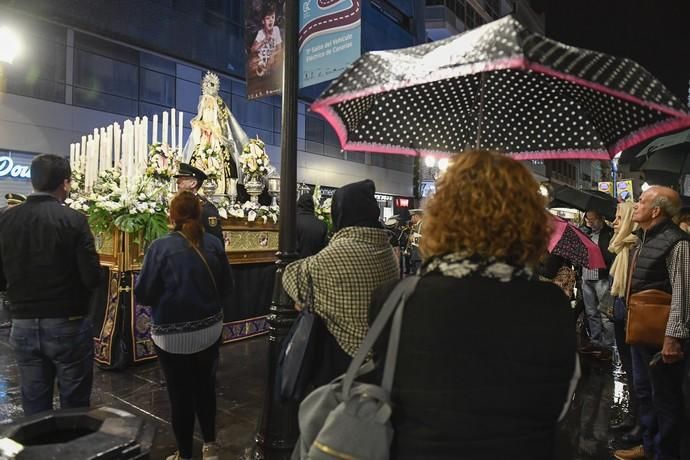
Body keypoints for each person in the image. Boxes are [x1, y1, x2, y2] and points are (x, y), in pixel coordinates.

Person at [369, 150, 578, 459]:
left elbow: (386, 397)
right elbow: (561, 404)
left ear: (441, 216)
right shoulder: (552, 304)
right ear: (529, 219)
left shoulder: (395, 299)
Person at [134, 191, 233, 460]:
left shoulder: (159, 247)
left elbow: (143, 294)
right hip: (209, 331)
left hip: (170, 336)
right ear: (200, 214)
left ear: (171, 215)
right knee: (205, 388)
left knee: (179, 395)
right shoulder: (213, 243)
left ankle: (185, 454)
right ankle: (211, 446)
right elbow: (227, 287)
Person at [0, 154, 100, 415]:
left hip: (22, 323)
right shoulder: (74, 220)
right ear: (65, 184)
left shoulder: (5, 219)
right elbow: (91, 277)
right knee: (74, 403)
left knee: (34, 402)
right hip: (67, 322)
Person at [282, 179, 399, 385]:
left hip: (343, 360)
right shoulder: (387, 251)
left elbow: (291, 276)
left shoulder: (340, 252)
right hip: (381, 354)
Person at [613, 186, 690, 460]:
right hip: (640, 332)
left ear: (656, 210)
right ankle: (649, 446)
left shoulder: (677, 242)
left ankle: (665, 453)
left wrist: (673, 339)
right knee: (645, 393)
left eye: (642, 202)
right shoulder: (642, 238)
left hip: (662, 339)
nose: (635, 206)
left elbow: (682, 293)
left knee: (665, 399)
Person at [608, 202, 642, 441]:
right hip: (621, 312)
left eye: (620, 218)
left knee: (638, 373)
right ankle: (635, 418)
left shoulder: (635, 247)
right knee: (631, 371)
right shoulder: (621, 248)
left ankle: (641, 424)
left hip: (635, 315)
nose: (615, 222)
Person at [579, 209, 615, 359]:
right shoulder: (585, 233)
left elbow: (611, 256)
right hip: (586, 277)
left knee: (605, 313)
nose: (590, 223)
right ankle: (595, 341)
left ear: (601, 218)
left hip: (602, 277)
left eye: (593, 220)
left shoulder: (609, 234)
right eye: (588, 220)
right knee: (591, 312)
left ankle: (607, 346)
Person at [174, 163, 223, 243]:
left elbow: (215, 241)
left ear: (193, 183)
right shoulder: (178, 204)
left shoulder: (206, 208)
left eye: (182, 178)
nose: (177, 182)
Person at [251, 2, 282, 77]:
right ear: (263, 21)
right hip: (262, 59)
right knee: (253, 62)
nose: (271, 20)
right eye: (268, 18)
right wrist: (264, 40)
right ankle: (262, 71)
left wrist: (272, 55)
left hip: (272, 60)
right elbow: (253, 49)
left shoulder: (276, 29)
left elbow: (279, 48)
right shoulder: (261, 33)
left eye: (273, 17)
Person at [296, 193, 328, 259]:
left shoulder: (291, 222)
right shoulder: (322, 225)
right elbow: (324, 250)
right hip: (315, 265)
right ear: (312, 205)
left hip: (295, 264)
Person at [407, 209, 423, 274]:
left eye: (412, 216)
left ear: (416, 216)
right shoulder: (418, 224)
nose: (411, 218)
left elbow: (417, 241)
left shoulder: (421, 224)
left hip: (418, 255)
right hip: (418, 255)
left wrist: (411, 238)